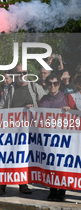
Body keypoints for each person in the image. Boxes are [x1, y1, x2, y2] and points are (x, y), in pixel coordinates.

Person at [0, 64, 46, 196]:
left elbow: (45, 103)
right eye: (18, 73)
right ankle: (1, 185)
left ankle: (23, 184)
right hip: (11, 129)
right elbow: (3, 106)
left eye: (24, 72)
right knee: (6, 157)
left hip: (29, 130)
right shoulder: (9, 88)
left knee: (24, 158)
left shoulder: (34, 87)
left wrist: (34, 108)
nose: (22, 75)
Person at [39, 73, 75, 201]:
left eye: (55, 83)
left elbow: (77, 114)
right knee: (50, 164)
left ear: (59, 85)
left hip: (63, 138)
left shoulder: (67, 97)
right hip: (47, 139)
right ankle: (52, 190)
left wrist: (69, 109)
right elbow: (37, 116)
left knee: (62, 164)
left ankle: (62, 191)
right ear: (47, 85)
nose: (52, 86)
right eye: (50, 83)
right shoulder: (43, 99)